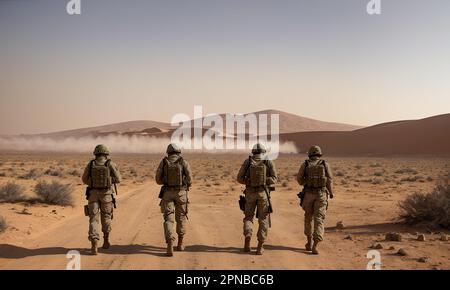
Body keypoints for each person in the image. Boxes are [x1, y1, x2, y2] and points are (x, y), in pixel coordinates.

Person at [237, 143, 278, 255]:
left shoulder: (248, 161)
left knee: (248, 217)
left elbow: (239, 178)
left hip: (250, 193)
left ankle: (248, 238)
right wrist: (265, 181)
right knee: (263, 219)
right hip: (263, 194)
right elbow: (274, 179)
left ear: (253, 152)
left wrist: (249, 181)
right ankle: (260, 247)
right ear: (263, 152)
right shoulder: (268, 161)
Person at [82, 144, 121, 255]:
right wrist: (109, 181)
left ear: (95, 153)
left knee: (93, 219)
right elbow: (119, 179)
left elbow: (84, 179)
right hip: (106, 195)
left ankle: (94, 242)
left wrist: (93, 183)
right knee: (106, 217)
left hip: (93, 195)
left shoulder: (91, 164)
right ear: (106, 154)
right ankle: (106, 240)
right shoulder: (110, 164)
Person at [155, 143, 192, 257]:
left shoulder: (164, 162)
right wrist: (185, 184)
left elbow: (158, 180)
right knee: (181, 218)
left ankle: (170, 241)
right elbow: (190, 179)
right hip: (181, 193)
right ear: (178, 152)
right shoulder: (183, 162)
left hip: (167, 193)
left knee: (168, 219)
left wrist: (166, 182)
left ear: (168, 152)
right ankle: (180, 244)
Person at [297, 145, 333, 255]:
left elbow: (299, 180)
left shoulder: (305, 164)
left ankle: (308, 242)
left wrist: (306, 182)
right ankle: (315, 245)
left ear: (310, 154)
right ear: (319, 154)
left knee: (308, 217)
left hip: (308, 194)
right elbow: (329, 180)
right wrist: (331, 193)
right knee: (319, 219)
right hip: (321, 194)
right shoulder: (324, 164)